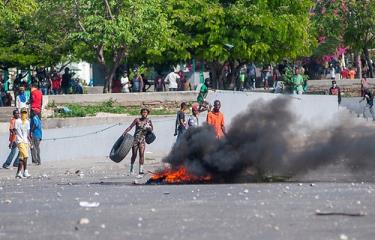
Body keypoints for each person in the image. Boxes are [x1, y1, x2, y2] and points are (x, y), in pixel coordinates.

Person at [123, 108, 153, 175]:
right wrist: (125, 132)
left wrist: (149, 128)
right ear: (141, 113)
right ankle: (131, 168)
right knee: (134, 154)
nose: (144, 113)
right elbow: (130, 127)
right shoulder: (137, 120)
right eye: (143, 112)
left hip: (142, 140)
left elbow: (152, 129)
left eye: (146, 112)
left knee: (141, 154)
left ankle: (141, 170)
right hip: (135, 140)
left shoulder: (148, 121)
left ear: (147, 114)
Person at [14, 108, 31, 178]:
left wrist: (30, 141)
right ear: (21, 113)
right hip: (20, 141)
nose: (24, 114)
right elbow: (14, 130)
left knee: (21, 158)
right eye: (23, 112)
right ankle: (25, 171)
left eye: (25, 113)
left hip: (25, 141)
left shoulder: (27, 122)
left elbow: (27, 133)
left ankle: (18, 173)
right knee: (26, 156)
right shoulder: (17, 121)